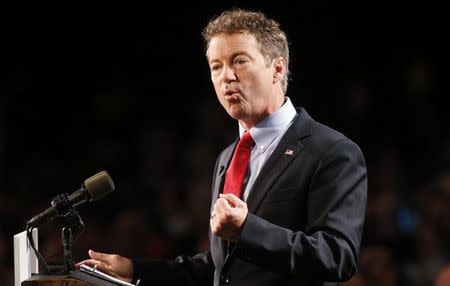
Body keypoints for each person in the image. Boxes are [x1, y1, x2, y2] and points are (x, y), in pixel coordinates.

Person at [78, 8, 368, 286]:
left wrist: (247, 229)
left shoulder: (331, 151)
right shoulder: (227, 157)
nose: (226, 76)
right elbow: (223, 269)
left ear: (277, 68)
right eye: (216, 66)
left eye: (239, 61)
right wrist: (135, 269)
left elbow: (336, 256)